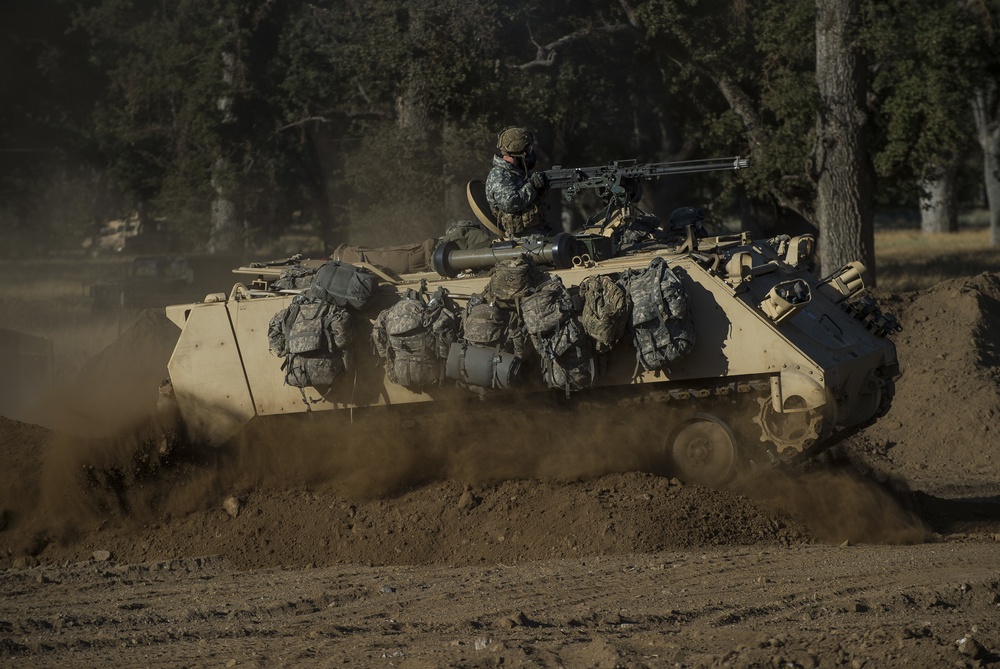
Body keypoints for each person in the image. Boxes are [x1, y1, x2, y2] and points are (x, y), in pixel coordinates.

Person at [485, 126, 552, 238]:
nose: (530, 153)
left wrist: (541, 187)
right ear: (518, 149)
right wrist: (532, 186)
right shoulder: (499, 175)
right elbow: (510, 203)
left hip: (537, 228)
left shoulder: (518, 171)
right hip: (521, 236)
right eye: (528, 149)